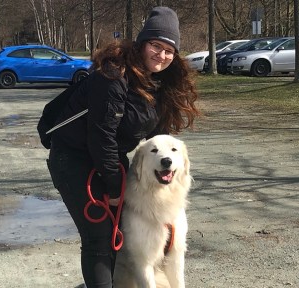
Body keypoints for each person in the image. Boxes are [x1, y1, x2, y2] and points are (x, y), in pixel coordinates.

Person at [46, 6, 200, 288]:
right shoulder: (114, 77)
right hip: (72, 159)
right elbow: (101, 136)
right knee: (99, 234)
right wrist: (116, 190)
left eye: (169, 50)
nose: (162, 55)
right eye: (156, 45)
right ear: (142, 44)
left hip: (107, 158)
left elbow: (154, 136)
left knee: (116, 233)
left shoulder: (156, 82)